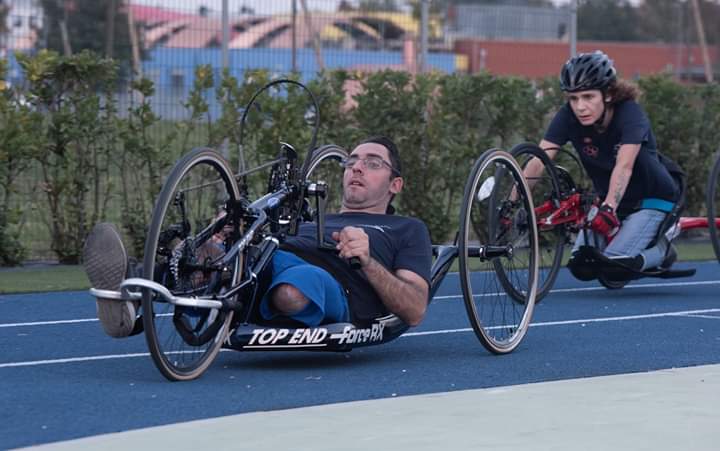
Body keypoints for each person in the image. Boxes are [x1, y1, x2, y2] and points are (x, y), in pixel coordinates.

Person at [83, 136, 432, 338]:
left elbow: (414, 309)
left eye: (372, 163)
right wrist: (230, 230)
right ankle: (131, 284)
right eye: (352, 161)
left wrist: (368, 261)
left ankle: (151, 283)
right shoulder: (311, 217)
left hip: (333, 285)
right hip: (262, 262)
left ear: (395, 185)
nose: (356, 167)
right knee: (224, 247)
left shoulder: (406, 229)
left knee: (293, 290)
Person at [524, 50, 682, 280]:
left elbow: (624, 166)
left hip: (651, 198)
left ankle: (664, 251)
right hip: (612, 200)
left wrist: (608, 208)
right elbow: (539, 160)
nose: (580, 107)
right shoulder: (568, 116)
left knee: (614, 268)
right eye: (573, 98)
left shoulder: (630, 114)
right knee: (581, 266)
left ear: (607, 94)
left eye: (588, 97)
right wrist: (511, 203)